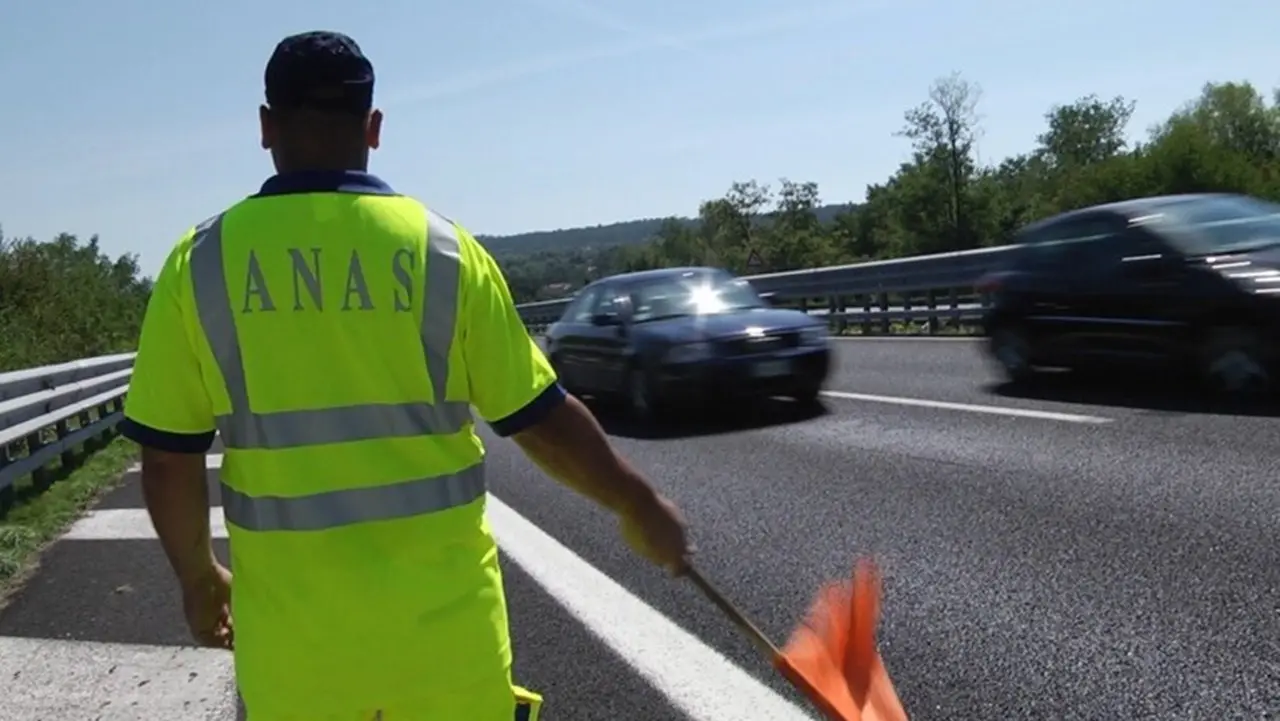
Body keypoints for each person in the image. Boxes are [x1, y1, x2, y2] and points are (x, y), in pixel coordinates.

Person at [119, 30, 693, 721]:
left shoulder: (199, 264)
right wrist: (635, 501)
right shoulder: (445, 251)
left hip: (298, 668)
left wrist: (197, 577)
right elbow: (542, 422)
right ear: (375, 127)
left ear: (266, 126)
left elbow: (168, 460)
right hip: (449, 656)